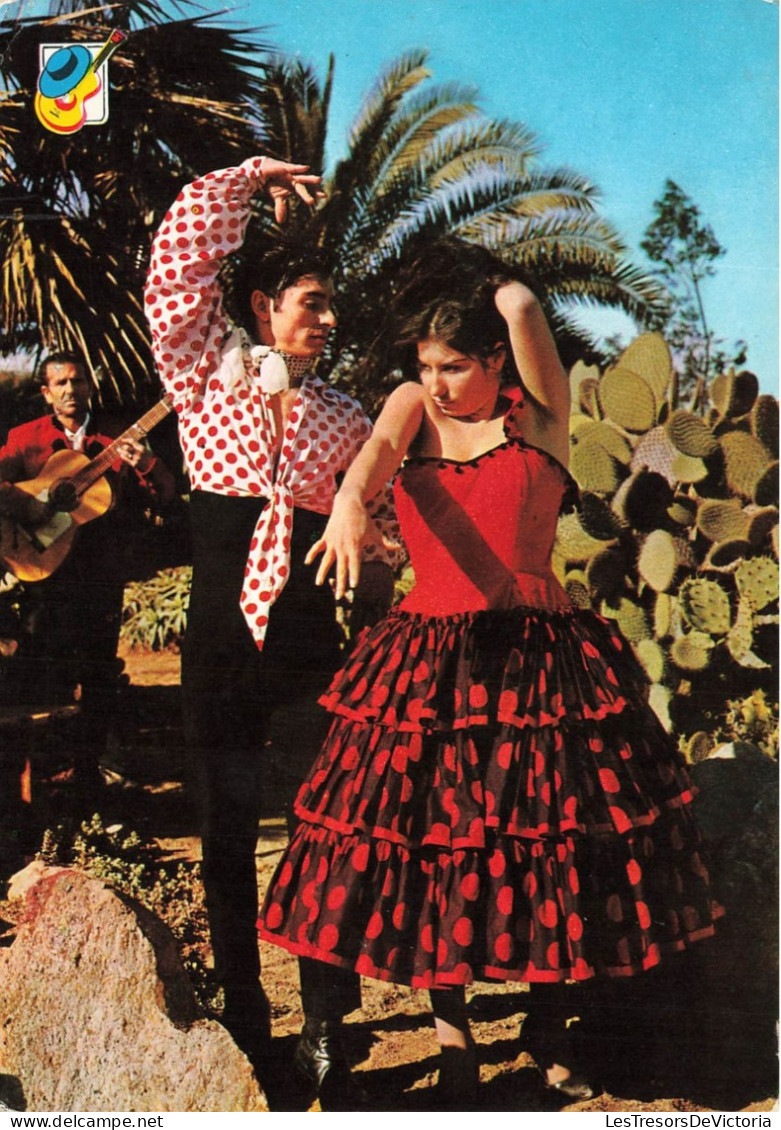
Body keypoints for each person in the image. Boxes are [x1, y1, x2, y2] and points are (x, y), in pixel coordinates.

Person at [257, 238, 722, 1107]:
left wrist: (481, 273)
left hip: (544, 667)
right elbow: (372, 459)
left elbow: (523, 312)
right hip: (429, 666)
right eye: (427, 364)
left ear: (493, 363)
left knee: (550, 849)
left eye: (455, 365)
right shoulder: (411, 407)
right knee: (436, 850)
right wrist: (353, 504)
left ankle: (545, 1034)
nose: (437, 382)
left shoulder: (540, 421)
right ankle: (453, 1037)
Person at [144, 156, 401, 1108]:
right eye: (310, 302)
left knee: (320, 834)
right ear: (260, 305)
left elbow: (386, 535)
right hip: (216, 648)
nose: (326, 321)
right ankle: (247, 1023)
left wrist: (376, 551)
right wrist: (247, 180)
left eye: (332, 307)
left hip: (306, 656)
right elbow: (174, 273)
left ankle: (326, 1024)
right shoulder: (202, 379)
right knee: (220, 835)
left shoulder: (346, 419)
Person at [0, 351, 176, 787]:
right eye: (60, 383)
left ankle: (89, 769)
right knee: (43, 667)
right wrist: (32, 503)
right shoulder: (26, 438)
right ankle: (38, 775)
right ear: (46, 392)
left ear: (90, 386)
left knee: (99, 669)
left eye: (78, 381)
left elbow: (167, 494)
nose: (70, 390)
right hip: (44, 572)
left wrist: (147, 465)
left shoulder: (117, 437)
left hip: (100, 571)